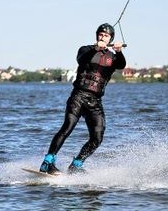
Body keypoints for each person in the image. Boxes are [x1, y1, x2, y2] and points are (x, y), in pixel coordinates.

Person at [39, 23, 126, 174]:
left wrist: (118, 52)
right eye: (100, 34)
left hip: (95, 101)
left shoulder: (112, 57)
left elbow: (121, 65)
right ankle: (48, 161)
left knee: (97, 138)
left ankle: (76, 165)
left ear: (110, 38)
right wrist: (95, 48)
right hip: (78, 96)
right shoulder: (85, 50)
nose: (102, 37)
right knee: (67, 127)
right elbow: (81, 59)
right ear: (96, 36)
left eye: (106, 35)